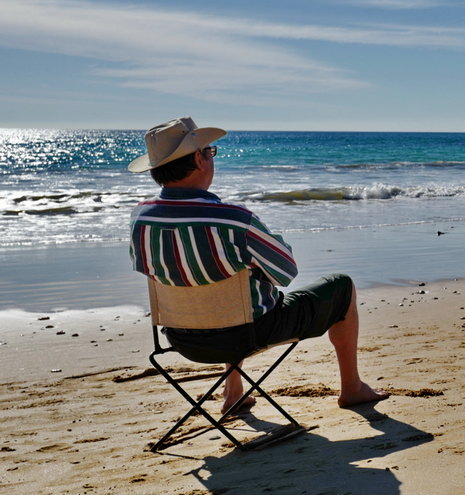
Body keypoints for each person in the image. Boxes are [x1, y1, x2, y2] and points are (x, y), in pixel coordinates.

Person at [129, 117, 388, 412]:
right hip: (247, 335)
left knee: (228, 291)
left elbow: (153, 270)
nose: (212, 158)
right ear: (199, 159)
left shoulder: (140, 218)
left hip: (181, 339)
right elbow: (286, 272)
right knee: (342, 287)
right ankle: (352, 388)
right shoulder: (233, 220)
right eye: (210, 152)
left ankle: (234, 390)